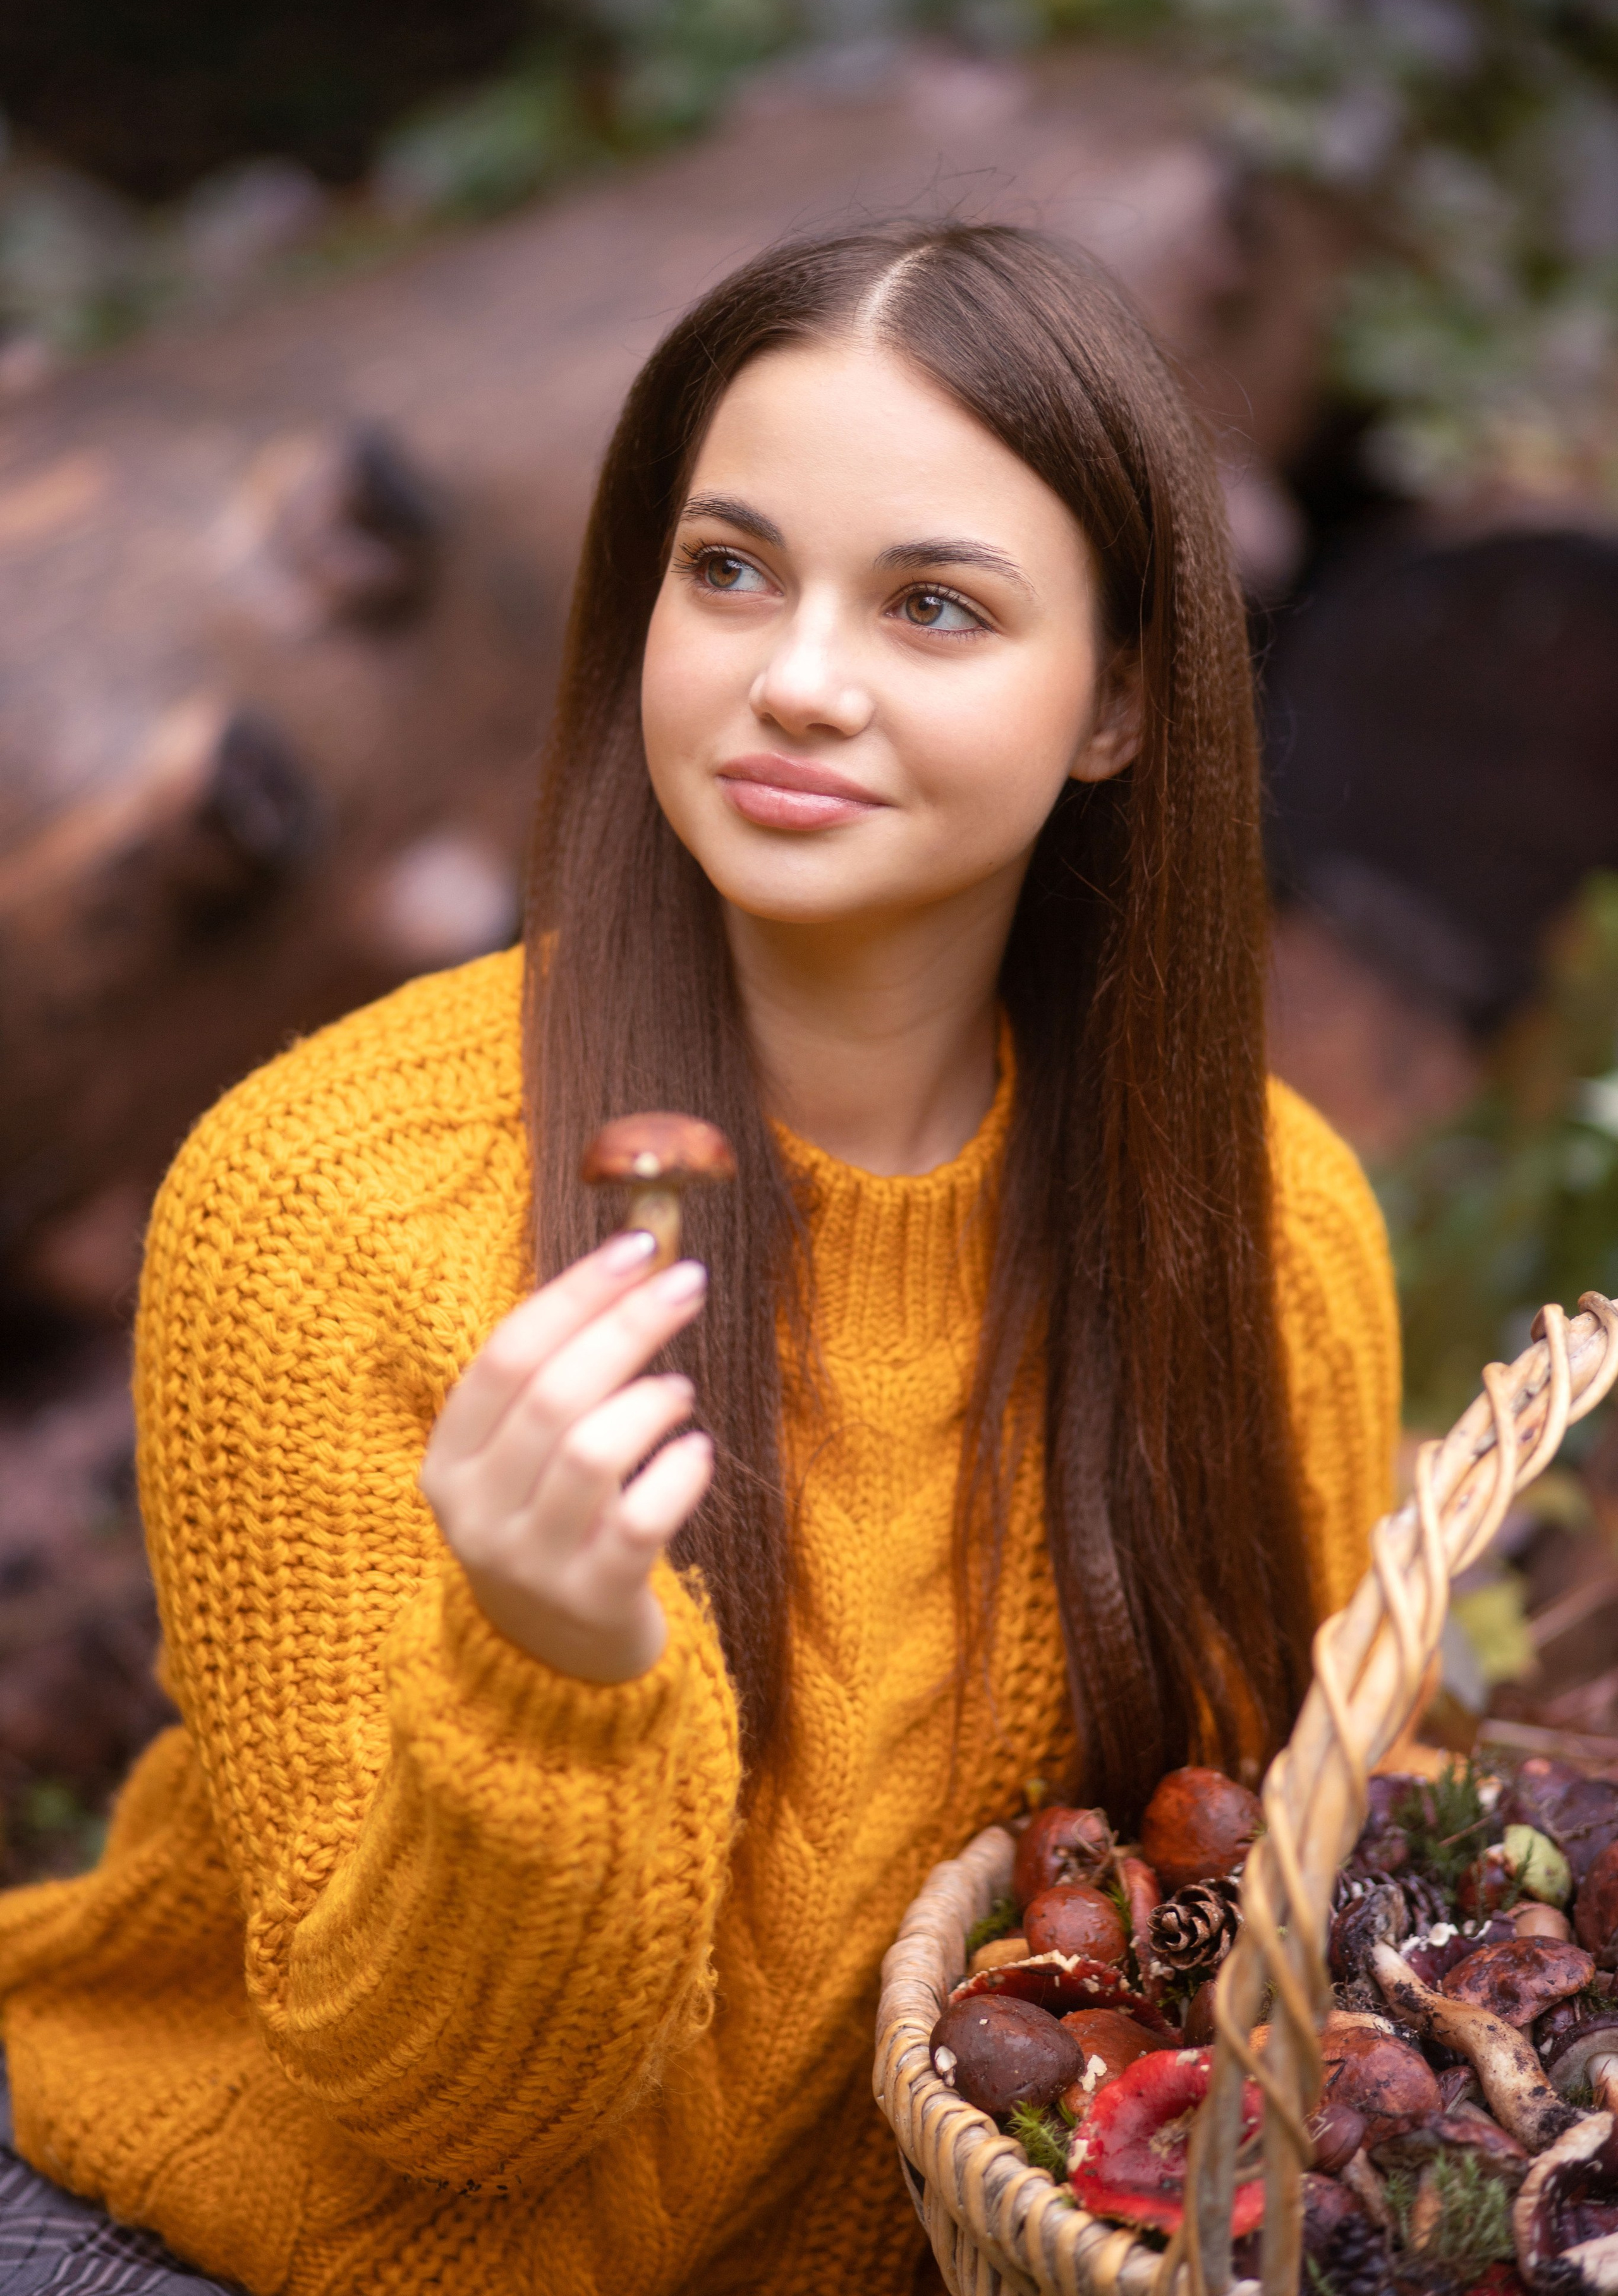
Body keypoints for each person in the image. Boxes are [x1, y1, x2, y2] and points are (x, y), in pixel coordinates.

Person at [0, 224, 1397, 2295]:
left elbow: (1240, 1917)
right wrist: (551, 1669)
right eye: (728, 569)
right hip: (234, 2242)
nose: (795, 679)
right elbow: (456, 2113)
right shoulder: (328, 1204)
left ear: (1115, 702)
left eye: (932, 605)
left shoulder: (1272, 1237)